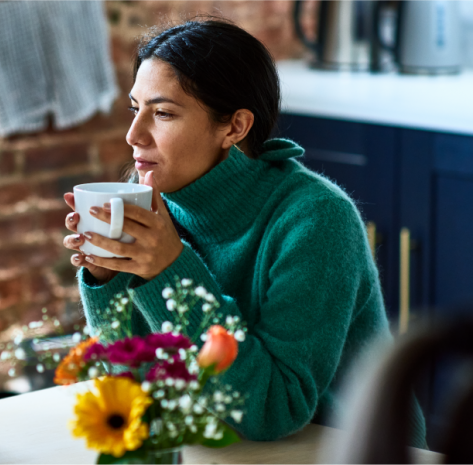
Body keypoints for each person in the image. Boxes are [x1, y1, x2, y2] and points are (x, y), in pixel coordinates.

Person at [62, 19, 427, 448]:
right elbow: (134, 386)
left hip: (349, 450)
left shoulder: (317, 220)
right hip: (224, 448)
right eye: (135, 108)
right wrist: (106, 279)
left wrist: (169, 268)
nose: (133, 134)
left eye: (162, 113)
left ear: (234, 127)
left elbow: (274, 410)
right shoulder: (153, 206)